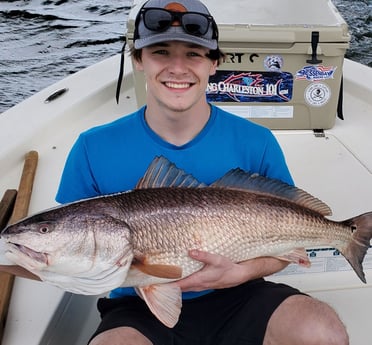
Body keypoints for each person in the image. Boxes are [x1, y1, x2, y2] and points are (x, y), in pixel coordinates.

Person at [58, 0, 349, 344]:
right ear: (138, 60)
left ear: (215, 63)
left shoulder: (257, 141)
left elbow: (283, 241)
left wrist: (242, 271)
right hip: (136, 306)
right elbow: (66, 244)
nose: (178, 68)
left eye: (194, 54)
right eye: (161, 52)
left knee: (321, 331)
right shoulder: (92, 147)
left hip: (241, 293)